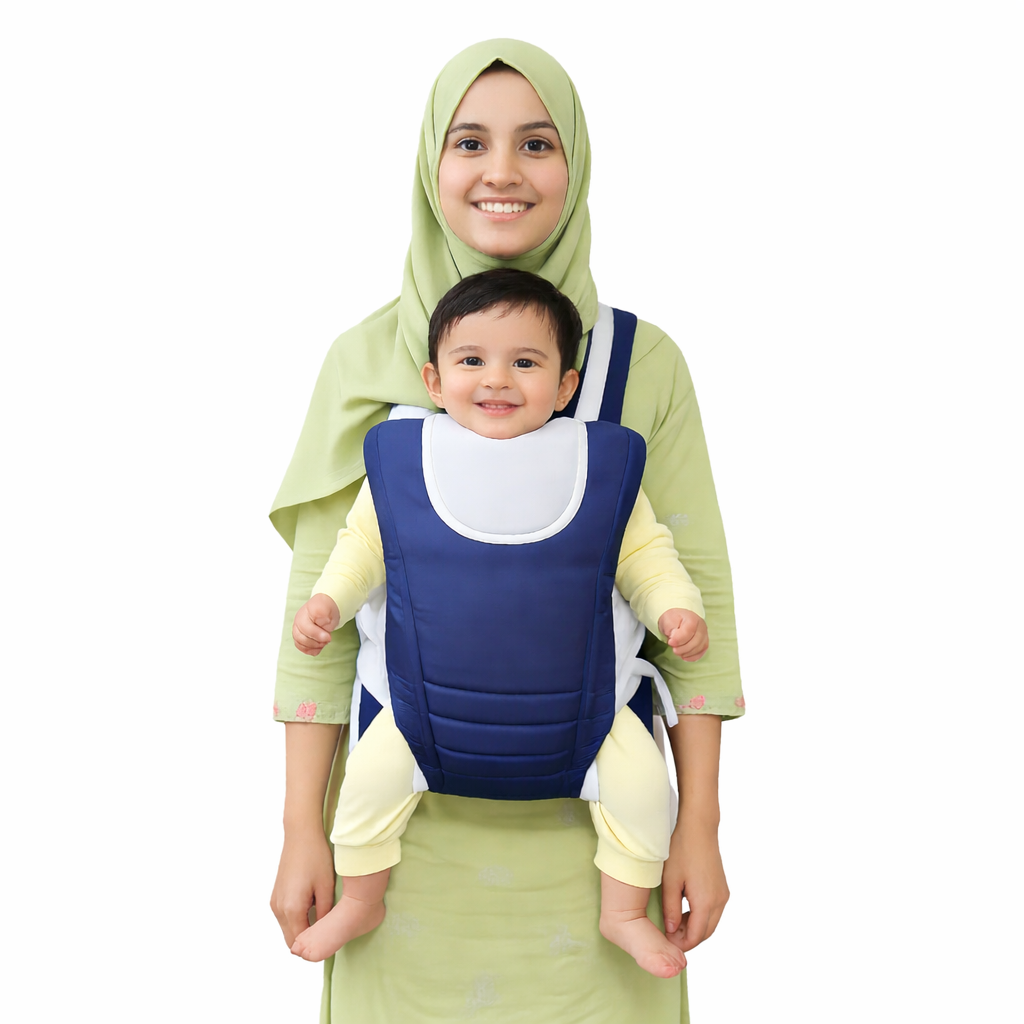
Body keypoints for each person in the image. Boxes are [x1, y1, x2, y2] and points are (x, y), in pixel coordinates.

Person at [270, 39, 744, 1023]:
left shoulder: (640, 363)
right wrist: (300, 827)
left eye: (536, 143)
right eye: (469, 142)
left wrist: (698, 821)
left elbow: (691, 596)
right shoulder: (367, 361)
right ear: (429, 164)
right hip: (400, 838)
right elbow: (319, 610)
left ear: (575, 163)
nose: (501, 171)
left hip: (600, 837)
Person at [287, 269, 710, 977]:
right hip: (419, 708)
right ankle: (361, 899)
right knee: (366, 783)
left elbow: (646, 555)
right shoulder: (407, 462)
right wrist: (328, 604)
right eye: (472, 360)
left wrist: (676, 611)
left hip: (589, 712)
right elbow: (361, 548)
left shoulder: (599, 465)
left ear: (566, 386)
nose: (497, 379)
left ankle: (623, 913)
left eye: (526, 362)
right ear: (433, 379)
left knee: (642, 789)